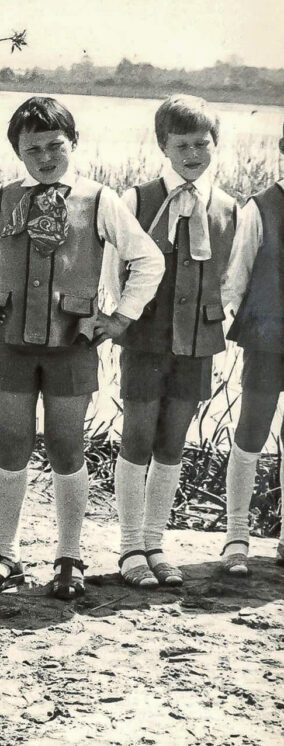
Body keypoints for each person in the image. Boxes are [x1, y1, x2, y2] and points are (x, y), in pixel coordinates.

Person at [0, 96, 164, 599]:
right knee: (11, 444)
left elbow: (148, 259)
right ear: (18, 152)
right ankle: (5, 555)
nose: (45, 158)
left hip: (72, 343)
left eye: (54, 146)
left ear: (74, 143)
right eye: (33, 149)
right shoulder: (0, 198)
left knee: (67, 447)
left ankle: (69, 556)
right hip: (11, 344)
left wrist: (121, 317)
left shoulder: (99, 199)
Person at [107, 95, 237, 588]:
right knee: (138, 435)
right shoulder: (136, 200)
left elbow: (231, 277)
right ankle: (129, 547)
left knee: (172, 442)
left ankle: (155, 542)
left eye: (202, 144)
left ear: (214, 144)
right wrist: (124, 317)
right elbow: (114, 272)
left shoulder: (227, 207)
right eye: (182, 145)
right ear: (163, 146)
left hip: (197, 341)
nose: (193, 154)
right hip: (146, 337)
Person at [220, 120, 284, 574]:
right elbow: (235, 278)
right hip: (267, 337)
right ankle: (236, 536)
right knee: (251, 431)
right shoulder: (260, 207)